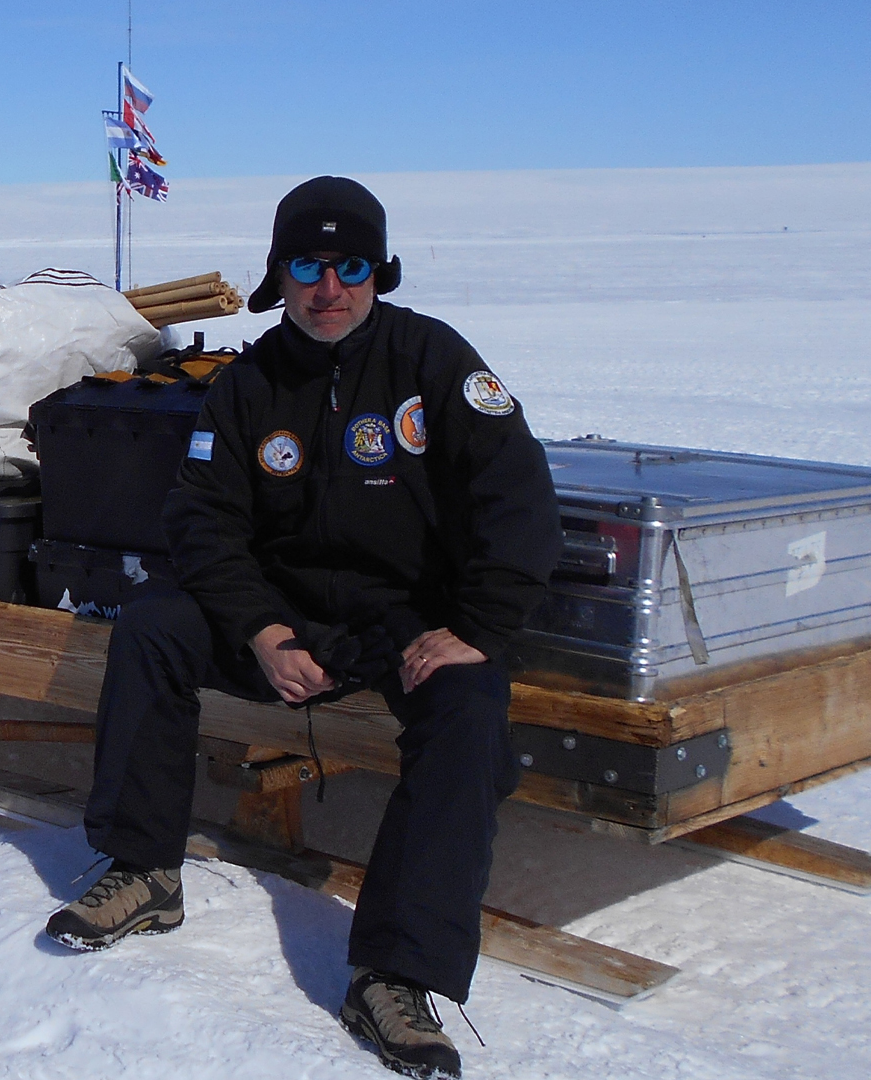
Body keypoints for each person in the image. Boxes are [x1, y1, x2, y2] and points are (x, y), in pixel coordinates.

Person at [43, 176, 561, 1079]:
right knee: (154, 627)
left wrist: (478, 625)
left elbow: (516, 497)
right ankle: (143, 873)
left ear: (380, 272)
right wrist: (262, 632)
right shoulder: (249, 385)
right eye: (308, 266)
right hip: (283, 617)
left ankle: (396, 975)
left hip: (403, 625)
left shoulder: (434, 362)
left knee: (472, 704)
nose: (330, 288)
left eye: (351, 265)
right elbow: (202, 522)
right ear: (280, 275)